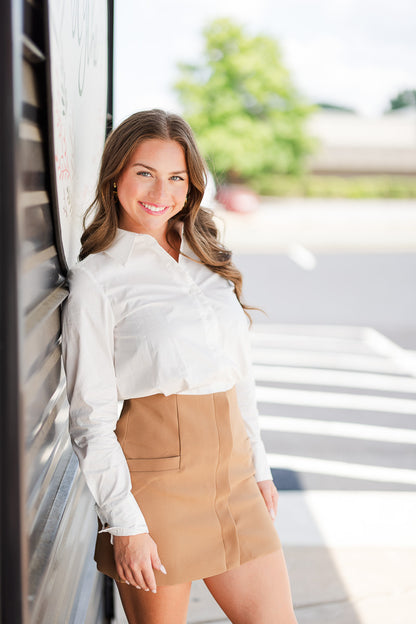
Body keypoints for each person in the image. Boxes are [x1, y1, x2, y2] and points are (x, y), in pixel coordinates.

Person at [62, 109, 297, 624]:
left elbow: (240, 375)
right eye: (144, 172)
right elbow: (90, 419)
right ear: (115, 175)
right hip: (155, 490)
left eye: (176, 177)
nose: (160, 191)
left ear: (192, 186)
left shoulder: (203, 257)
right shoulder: (97, 281)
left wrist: (258, 467)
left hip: (233, 477)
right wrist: (125, 524)